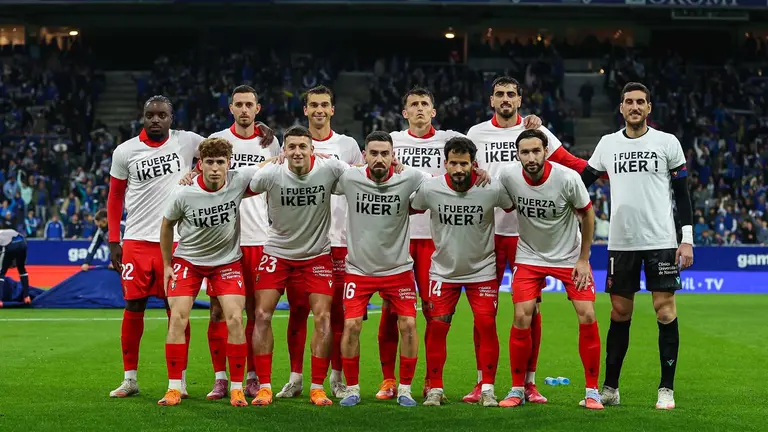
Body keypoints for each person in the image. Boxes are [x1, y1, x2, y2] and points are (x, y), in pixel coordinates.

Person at [380, 86, 541, 399]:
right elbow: (371, 171)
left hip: (442, 241)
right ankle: (390, 381)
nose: (419, 109)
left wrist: (531, 124)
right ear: (404, 112)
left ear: (434, 110)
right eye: (413, 104)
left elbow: (476, 160)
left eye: (425, 103)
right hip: (400, 237)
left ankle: (442, 383)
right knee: (393, 310)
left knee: (439, 316)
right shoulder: (391, 142)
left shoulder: (456, 137)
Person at [466, 75, 594, 404]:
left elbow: (570, 164)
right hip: (487, 232)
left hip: (527, 238)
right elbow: (463, 174)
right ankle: (483, 382)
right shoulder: (475, 134)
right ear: (491, 100)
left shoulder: (537, 131)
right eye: (499, 94)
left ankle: (529, 383)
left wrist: (607, 171)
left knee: (530, 311)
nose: (505, 99)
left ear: (520, 100)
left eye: (511, 94)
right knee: (485, 311)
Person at [580, 82, 694, 410]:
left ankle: (666, 389)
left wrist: (686, 240)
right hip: (622, 241)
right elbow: (581, 182)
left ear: (649, 108)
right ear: (621, 108)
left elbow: (683, 194)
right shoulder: (607, 144)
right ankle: (611, 388)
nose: (634, 106)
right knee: (619, 312)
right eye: (629, 101)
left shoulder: (667, 142)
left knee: (665, 310)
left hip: (661, 240)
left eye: (640, 102)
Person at [496, 129, 602, 409]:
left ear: (545, 151)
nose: (531, 157)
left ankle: (592, 391)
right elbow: (493, 196)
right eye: (525, 152)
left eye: (536, 151)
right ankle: (517, 388)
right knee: (521, 315)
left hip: (569, 257)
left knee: (588, 315)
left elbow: (588, 215)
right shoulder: (508, 176)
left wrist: (583, 259)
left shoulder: (567, 178)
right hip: (529, 256)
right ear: (517, 154)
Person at [158, 137, 267, 407]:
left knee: (234, 319)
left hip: (226, 262)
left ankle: (237, 388)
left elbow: (270, 167)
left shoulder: (239, 179)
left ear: (229, 163)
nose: (215, 168)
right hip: (189, 262)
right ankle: (173, 387)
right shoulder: (183, 192)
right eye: (210, 162)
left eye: (220, 162)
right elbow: (166, 225)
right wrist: (167, 265)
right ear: (200, 165)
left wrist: (280, 154)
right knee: (178, 319)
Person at [107, 95, 203, 398]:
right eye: (150, 115)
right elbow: (114, 198)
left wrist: (263, 130)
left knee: (176, 310)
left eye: (162, 115)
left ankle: (180, 380)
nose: (155, 120)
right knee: (133, 306)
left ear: (171, 118)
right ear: (142, 117)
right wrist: (113, 239)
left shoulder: (188, 141)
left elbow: (226, 147)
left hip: (176, 243)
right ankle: (130, 379)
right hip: (136, 240)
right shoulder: (125, 151)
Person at [248, 125, 350, 407]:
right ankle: (265, 386)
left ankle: (317, 387)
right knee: (261, 315)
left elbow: (364, 174)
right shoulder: (271, 172)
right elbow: (237, 182)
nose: (296, 152)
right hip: (278, 253)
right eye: (291, 147)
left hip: (316, 255)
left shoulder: (330, 168)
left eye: (302, 146)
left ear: (311, 149)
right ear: (284, 150)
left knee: (323, 318)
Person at [410, 136, 514, 407]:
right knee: (436, 328)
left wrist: (489, 175)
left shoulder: (490, 187)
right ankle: (435, 388)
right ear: (445, 164)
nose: (458, 169)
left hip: (482, 270)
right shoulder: (430, 188)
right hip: (443, 272)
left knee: (487, 325)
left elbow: (511, 205)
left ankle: (488, 388)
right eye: (453, 163)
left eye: (464, 163)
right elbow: (410, 206)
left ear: (473, 164)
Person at [278, 85, 362, 399]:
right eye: (313, 104)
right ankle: (296, 378)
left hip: (340, 242)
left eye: (324, 104)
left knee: (339, 316)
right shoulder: (292, 145)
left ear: (332, 109)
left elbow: (361, 180)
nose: (319, 110)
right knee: (298, 312)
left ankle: (337, 380)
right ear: (305, 110)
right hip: (303, 245)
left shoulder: (348, 145)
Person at [332, 131, 425, 407]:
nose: (380, 158)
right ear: (364, 156)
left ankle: (405, 388)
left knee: (408, 324)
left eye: (385, 153)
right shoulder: (350, 177)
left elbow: (444, 183)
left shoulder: (410, 178)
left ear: (393, 155)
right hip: (359, 271)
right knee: (351, 326)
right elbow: (318, 163)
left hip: (398, 270)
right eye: (374, 153)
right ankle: (352, 388)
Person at [206, 85, 280, 400]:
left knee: (255, 313)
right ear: (231, 108)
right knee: (217, 312)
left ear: (258, 109)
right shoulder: (217, 141)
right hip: (223, 242)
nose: (245, 110)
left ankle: (251, 376)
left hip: (259, 239)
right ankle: (221, 378)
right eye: (239, 104)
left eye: (250, 104)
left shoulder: (271, 142)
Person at [0, 229, 30, 304]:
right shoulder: (4, 232)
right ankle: (26, 297)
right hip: (23, 243)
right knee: (22, 270)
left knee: (1, 273)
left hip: (10, 244)